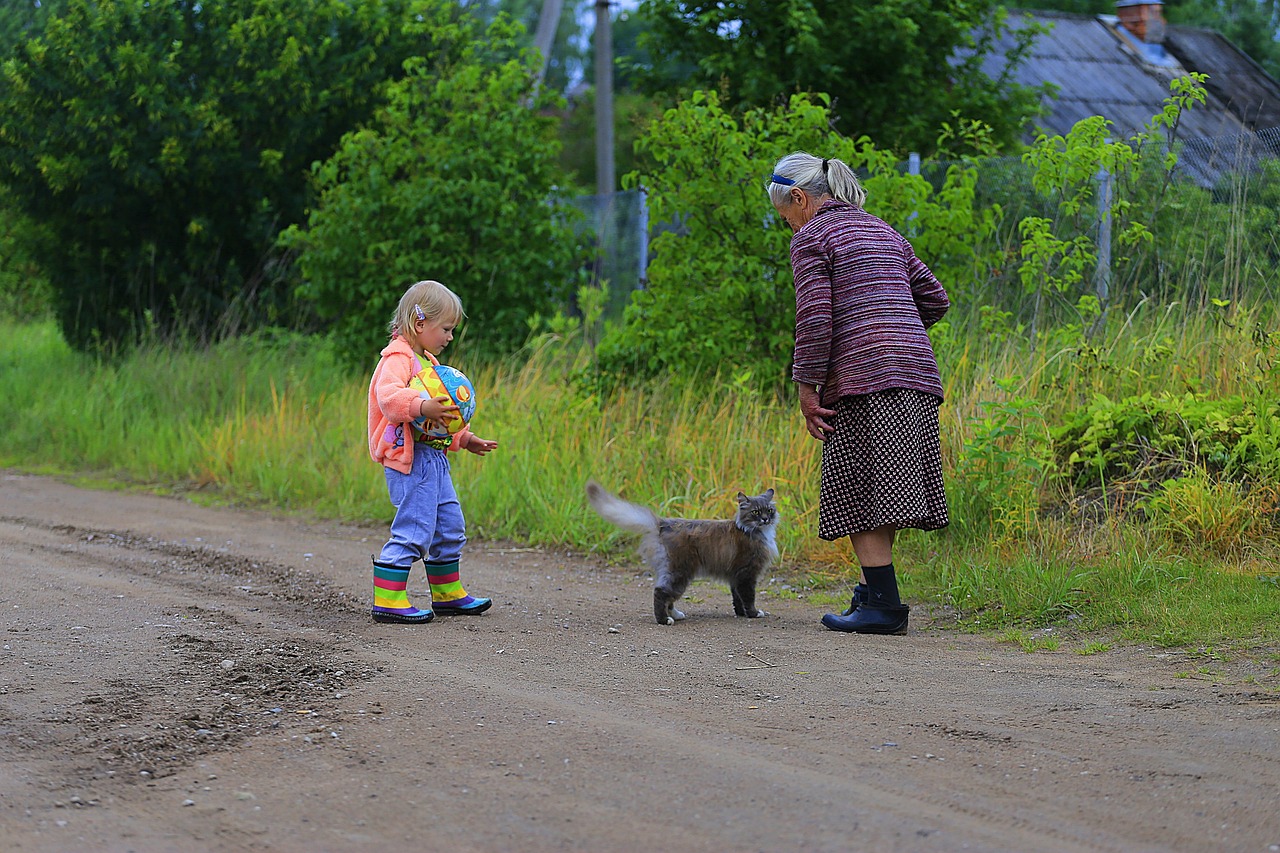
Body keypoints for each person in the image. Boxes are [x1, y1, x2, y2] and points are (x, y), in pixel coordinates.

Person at [767, 151, 950, 636]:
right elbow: (934, 298)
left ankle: (884, 609)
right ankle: (874, 595)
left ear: (801, 199)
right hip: (915, 373)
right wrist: (892, 328)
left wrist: (807, 389)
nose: (788, 226)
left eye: (785, 216)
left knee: (860, 487)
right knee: (880, 489)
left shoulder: (813, 237)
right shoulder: (882, 228)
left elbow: (815, 320)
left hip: (863, 380)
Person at [366, 279, 499, 624]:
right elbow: (389, 398)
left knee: (449, 525)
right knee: (415, 528)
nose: (450, 337)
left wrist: (464, 438)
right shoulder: (397, 358)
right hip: (410, 462)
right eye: (446, 328)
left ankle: (447, 593)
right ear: (419, 322)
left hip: (434, 459)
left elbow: (438, 422)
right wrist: (422, 405)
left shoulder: (426, 362)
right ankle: (389, 598)